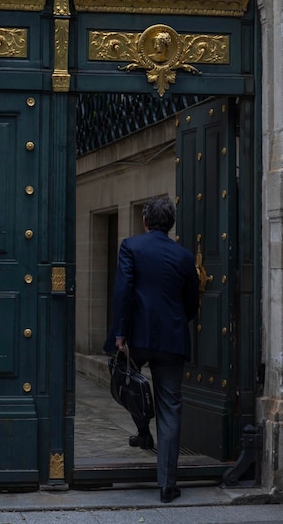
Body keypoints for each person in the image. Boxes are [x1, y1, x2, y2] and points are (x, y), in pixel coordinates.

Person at [104, 196, 199, 503]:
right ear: (171, 224)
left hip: (136, 338)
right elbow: (191, 303)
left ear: (145, 221)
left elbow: (123, 291)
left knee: (127, 384)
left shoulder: (131, 246)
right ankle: (167, 485)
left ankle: (143, 428)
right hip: (172, 339)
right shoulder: (184, 256)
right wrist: (173, 323)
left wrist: (120, 332)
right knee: (170, 408)